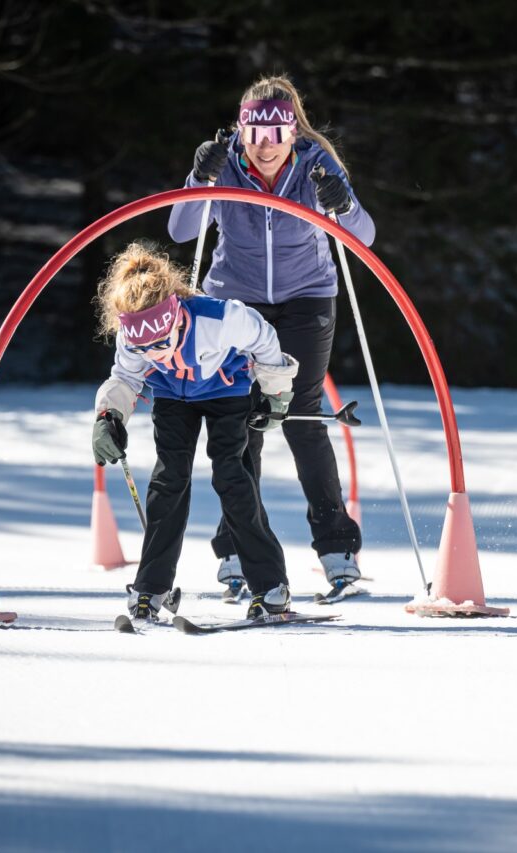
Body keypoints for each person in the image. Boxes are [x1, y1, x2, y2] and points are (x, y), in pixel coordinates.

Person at [167, 74, 372, 602]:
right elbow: (180, 231)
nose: (264, 146)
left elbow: (365, 239)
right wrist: (198, 178)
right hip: (234, 301)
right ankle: (236, 548)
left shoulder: (316, 165)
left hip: (306, 298)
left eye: (276, 134)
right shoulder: (225, 162)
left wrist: (342, 202)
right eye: (254, 133)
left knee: (302, 414)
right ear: (240, 129)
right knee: (242, 416)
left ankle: (336, 550)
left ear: (291, 133)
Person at [91, 242, 299, 623]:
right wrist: (109, 416)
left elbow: (265, 340)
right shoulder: (133, 335)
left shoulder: (221, 319)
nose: (155, 353)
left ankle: (271, 587)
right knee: (168, 479)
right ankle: (151, 588)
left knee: (232, 477)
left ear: (175, 317)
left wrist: (275, 392)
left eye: (161, 342)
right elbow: (125, 376)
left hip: (228, 390)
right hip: (172, 396)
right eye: (144, 348)